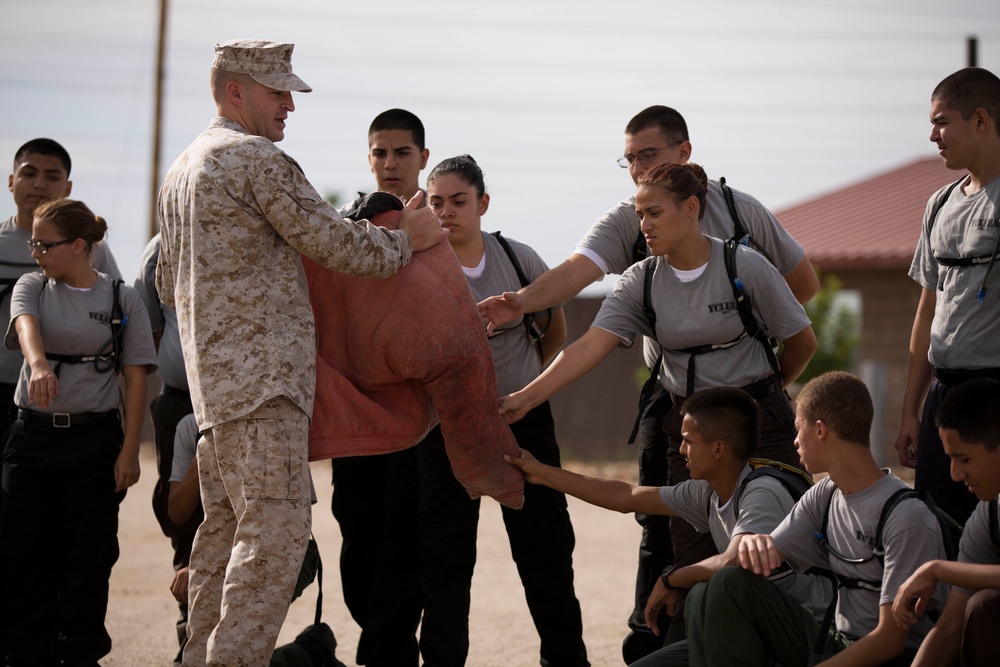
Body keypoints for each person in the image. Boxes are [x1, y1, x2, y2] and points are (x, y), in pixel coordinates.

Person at [480, 105, 818, 659]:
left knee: (773, 542)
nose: (642, 220)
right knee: (671, 539)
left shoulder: (743, 248)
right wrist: (522, 391)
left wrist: (759, 390)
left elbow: (801, 333)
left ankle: (799, 643)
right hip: (684, 411)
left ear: (690, 199)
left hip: (759, 418)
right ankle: (672, 645)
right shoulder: (641, 274)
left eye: (649, 160)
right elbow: (588, 337)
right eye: (629, 162)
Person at [155, 39, 446, 666]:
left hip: (217, 399)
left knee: (220, 545)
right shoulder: (256, 160)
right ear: (237, 92)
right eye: (277, 90)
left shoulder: (182, 170)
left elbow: (165, 285)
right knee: (270, 552)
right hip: (266, 395)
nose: (290, 103)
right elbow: (337, 244)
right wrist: (408, 240)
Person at [506, 386, 830, 667]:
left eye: (688, 441)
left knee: (713, 587)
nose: (680, 449)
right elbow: (627, 495)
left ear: (718, 448)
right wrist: (541, 472)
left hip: (801, 637)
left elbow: (735, 561)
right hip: (746, 631)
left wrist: (671, 577)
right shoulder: (710, 489)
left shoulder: (762, 492)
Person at [418, 155, 586, 666]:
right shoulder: (417, 267)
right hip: (443, 429)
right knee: (445, 563)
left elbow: (554, 329)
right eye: (436, 202)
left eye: (459, 201)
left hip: (521, 422)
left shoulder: (518, 259)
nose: (447, 212)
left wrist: (527, 389)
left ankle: (566, 660)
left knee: (546, 555)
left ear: (483, 204)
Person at [691, 371, 947, 667]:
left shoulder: (905, 515)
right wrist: (755, 546)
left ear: (821, 430)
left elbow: (890, 641)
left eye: (799, 429)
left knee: (724, 588)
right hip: (833, 641)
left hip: (884, 656)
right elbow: (763, 556)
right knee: (716, 588)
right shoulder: (826, 493)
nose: (795, 440)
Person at [0, 197, 156, 665]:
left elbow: (135, 377)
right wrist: (39, 363)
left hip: (93, 442)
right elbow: (25, 324)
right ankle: (25, 654)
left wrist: (129, 451)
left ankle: (80, 654)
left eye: (46, 245)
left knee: (88, 561)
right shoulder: (33, 286)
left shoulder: (119, 297)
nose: (36, 253)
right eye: (33, 243)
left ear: (80, 246)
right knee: (23, 555)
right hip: (32, 439)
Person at [327, 108, 429, 666]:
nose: (390, 164)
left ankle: (388, 653)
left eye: (402, 153)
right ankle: (384, 640)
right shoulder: (341, 226)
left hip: (415, 414)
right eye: (380, 153)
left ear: (422, 159)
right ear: (369, 158)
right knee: (357, 527)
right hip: (353, 408)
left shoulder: (439, 225)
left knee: (406, 537)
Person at [895, 67, 1000, 527]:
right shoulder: (938, 203)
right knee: (937, 527)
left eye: (942, 121)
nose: (933, 135)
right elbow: (927, 311)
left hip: (994, 394)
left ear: (981, 120)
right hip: (944, 393)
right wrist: (911, 411)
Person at [2, 138, 122, 436]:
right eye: (29, 173)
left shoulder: (92, 249)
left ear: (67, 188)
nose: (39, 184)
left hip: (62, 400)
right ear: (11, 180)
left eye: (52, 176)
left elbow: (120, 321)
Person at [893, 378, 1000, 667]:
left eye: (964, 459)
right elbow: (950, 628)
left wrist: (940, 570)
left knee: (985, 607)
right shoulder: (989, 516)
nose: (954, 475)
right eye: (950, 459)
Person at [134, 233, 197, 664]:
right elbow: (148, 328)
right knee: (184, 522)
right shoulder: (164, 244)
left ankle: (240, 642)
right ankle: (190, 643)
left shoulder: (259, 224)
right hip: (180, 402)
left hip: (247, 404)